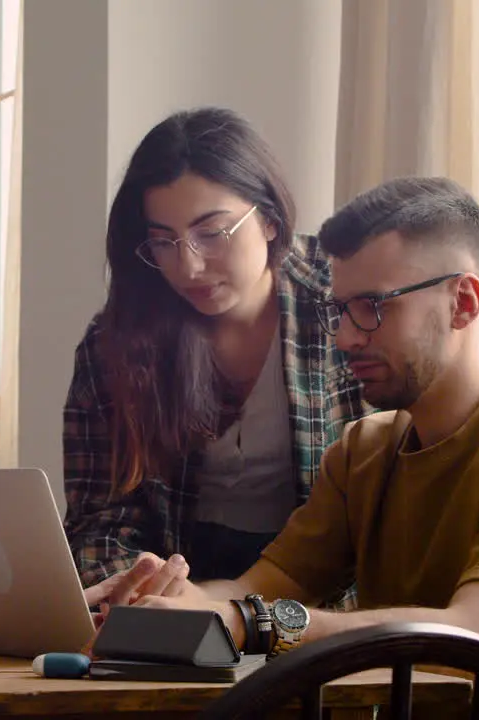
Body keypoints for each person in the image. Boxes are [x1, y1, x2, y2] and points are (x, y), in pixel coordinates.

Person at [87, 177, 479, 719]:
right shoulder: (365, 450)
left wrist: (252, 623)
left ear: (463, 302)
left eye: (374, 307)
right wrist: (175, 602)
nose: (347, 337)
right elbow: (257, 588)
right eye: (342, 309)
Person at [63, 107, 366, 588]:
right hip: (177, 584)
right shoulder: (116, 341)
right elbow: (99, 516)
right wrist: (139, 582)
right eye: (163, 242)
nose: (189, 267)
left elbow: (382, 501)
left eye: (211, 233)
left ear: (268, 218)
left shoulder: (344, 301)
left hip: (317, 588)